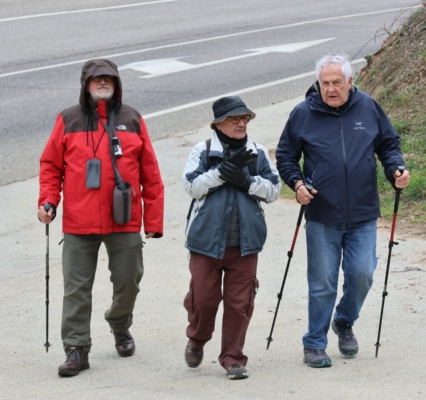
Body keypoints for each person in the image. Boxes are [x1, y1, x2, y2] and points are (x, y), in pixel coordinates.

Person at [275, 54, 410, 368]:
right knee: (322, 283)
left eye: (337, 82)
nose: (331, 89)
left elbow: (388, 145)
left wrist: (396, 169)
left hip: (363, 211)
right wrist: (296, 183)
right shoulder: (303, 114)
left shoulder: (368, 107)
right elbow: (285, 156)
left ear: (350, 81)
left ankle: (344, 321)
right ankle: (314, 344)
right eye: (325, 83)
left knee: (362, 274)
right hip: (323, 213)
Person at [37, 59, 164, 377]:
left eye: (108, 78)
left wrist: (154, 221)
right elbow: (51, 165)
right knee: (76, 289)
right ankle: (76, 348)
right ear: (85, 84)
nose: (103, 82)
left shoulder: (132, 118)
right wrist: (48, 201)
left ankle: (119, 323)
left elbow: (150, 172)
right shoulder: (68, 119)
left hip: (124, 218)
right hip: (79, 221)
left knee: (129, 280)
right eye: (96, 79)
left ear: (117, 83)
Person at [181, 96, 281, 380]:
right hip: (205, 242)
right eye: (234, 119)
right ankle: (197, 339)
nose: (241, 123)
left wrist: (247, 181)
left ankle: (233, 358)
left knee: (240, 303)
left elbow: (274, 190)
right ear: (218, 124)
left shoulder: (257, 152)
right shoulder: (203, 150)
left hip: (245, 244)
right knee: (204, 300)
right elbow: (192, 186)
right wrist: (221, 174)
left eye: (244, 118)